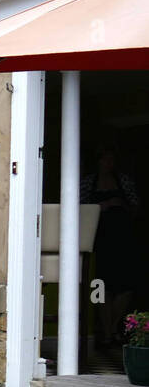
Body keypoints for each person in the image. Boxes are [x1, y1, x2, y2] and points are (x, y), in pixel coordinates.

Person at [81, 145, 140, 348]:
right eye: (105, 159)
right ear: (97, 161)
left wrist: (119, 204)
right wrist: (102, 207)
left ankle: (113, 327)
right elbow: (78, 209)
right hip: (99, 239)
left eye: (111, 159)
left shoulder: (123, 181)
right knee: (100, 285)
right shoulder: (89, 182)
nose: (109, 163)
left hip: (123, 239)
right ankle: (106, 331)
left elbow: (136, 206)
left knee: (126, 285)